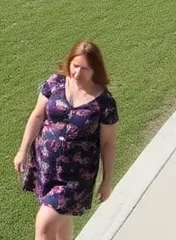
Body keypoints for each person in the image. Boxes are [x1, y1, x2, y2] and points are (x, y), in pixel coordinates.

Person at [15, 41, 118, 240]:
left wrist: (107, 181)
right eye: (75, 66)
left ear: (95, 69)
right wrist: (22, 150)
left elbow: (108, 143)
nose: (78, 73)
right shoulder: (55, 83)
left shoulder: (104, 103)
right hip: (46, 167)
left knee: (45, 224)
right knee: (62, 221)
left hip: (76, 177)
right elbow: (37, 116)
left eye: (85, 68)